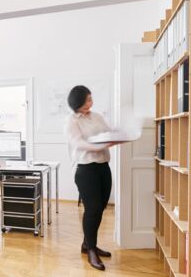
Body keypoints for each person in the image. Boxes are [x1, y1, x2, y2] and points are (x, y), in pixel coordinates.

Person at [64, 85, 122, 271]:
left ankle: (87, 244)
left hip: (103, 167)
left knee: (100, 208)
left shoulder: (96, 116)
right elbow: (78, 143)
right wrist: (100, 146)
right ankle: (91, 251)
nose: (91, 102)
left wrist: (119, 135)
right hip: (86, 170)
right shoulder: (71, 121)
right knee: (93, 209)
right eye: (87, 100)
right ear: (78, 102)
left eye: (91, 99)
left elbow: (108, 132)